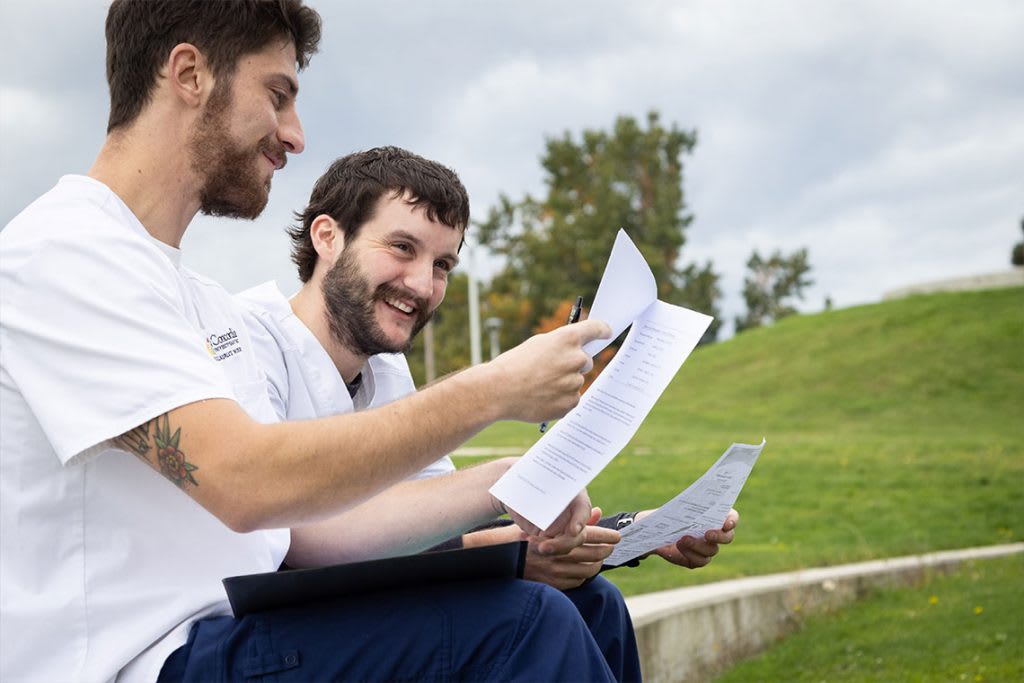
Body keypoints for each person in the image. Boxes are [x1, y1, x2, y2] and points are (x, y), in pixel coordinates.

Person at [0, 2, 618, 682]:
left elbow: (305, 530)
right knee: (524, 627)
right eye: (278, 95)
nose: (295, 137)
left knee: (588, 606)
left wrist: (508, 480)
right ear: (188, 74)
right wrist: (493, 389)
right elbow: (245, 481)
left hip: (246, 629)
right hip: (149, 660)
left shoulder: (198, 300)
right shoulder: (65, 253)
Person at [236, 146, 739, 677]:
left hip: (336, 604)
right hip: (254, 625)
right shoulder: (246, 341)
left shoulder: (385, 372)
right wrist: (509, 480)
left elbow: (431, 539)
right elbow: (296, 542)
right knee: (532, 617)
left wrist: (629, 532)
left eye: (442, 265)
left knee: (595, 603)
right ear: (327, 237)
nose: (422, 285)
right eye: (402, 247)